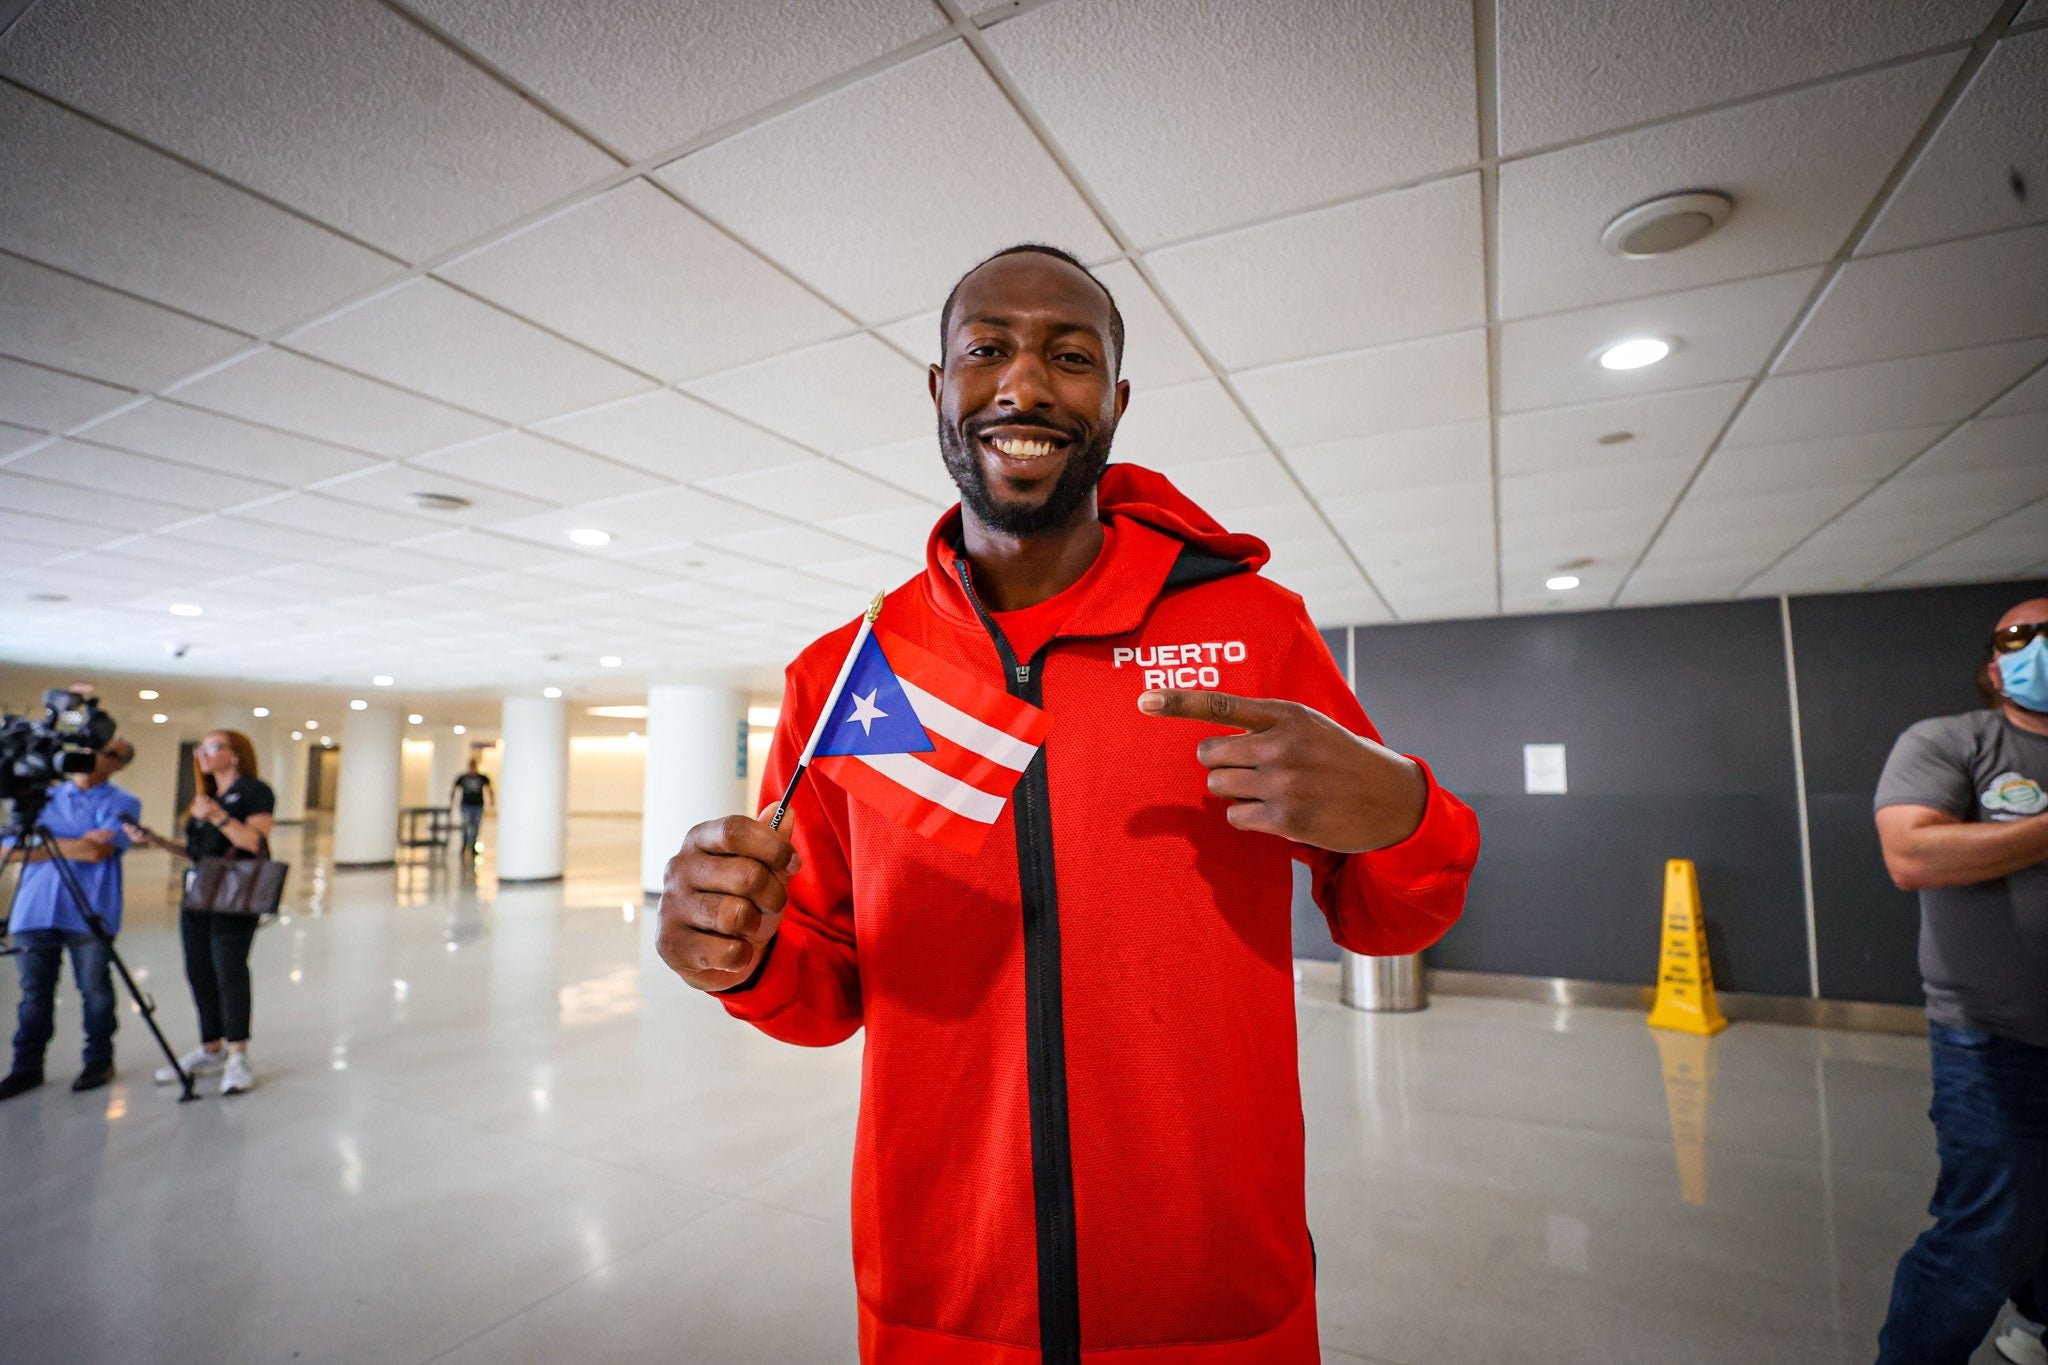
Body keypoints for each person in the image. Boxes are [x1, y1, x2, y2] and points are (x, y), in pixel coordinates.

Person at [658, 245, 1480, 1362]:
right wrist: (734, 951)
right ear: (938, 388)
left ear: (1117, 402)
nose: (1025, 384)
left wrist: (1406, 812)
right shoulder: (847, 677)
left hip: (1211, 1291)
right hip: (943, 1298)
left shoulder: (1253, 630)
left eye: (1070, 355)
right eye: (985, 349)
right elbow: (822, 984)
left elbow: (1390, 915)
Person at [1874, 596, 2048, 1365]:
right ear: (1993, 664)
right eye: (2021, 634)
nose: (2039, 645)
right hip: (1992, 1035)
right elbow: (1913, 856)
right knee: (1987, 1227)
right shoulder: (1952, 743)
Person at [129, 729, 275, 1096]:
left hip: (234, 896)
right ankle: (211, 1047)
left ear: (235, 755)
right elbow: (196, 852)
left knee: (230, 971)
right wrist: (155, 840)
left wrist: (217, 816)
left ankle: (238, 1053)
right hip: (198, 895)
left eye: (212, 748)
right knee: (199, 971)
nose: (203, 755)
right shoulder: (204, 798)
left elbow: (252, 842)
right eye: (200, 749)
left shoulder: (256, 791)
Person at [0, 735, 139, 1099]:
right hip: (34, 909)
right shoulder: (44, 798)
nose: (91, 755)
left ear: (119, 765)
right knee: (34, 995)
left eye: (106, 752)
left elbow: (98, 853)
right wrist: (76, 843)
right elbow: (7, 851)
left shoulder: (124, 802)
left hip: (90, 909)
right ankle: (26, 1066)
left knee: (94, 990)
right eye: (89, 748)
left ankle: (98, 1060)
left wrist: (41, 846)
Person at [449, 758, 492, 856]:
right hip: (466, 805)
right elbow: (454, 788)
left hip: (478, 806)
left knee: (475, 826)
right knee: (465, 825)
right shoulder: (463, 777)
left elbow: (489, 788)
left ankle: (473, 846)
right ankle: (464, 844)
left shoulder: (482, 778)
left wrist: (492, 800)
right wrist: (452, 800)